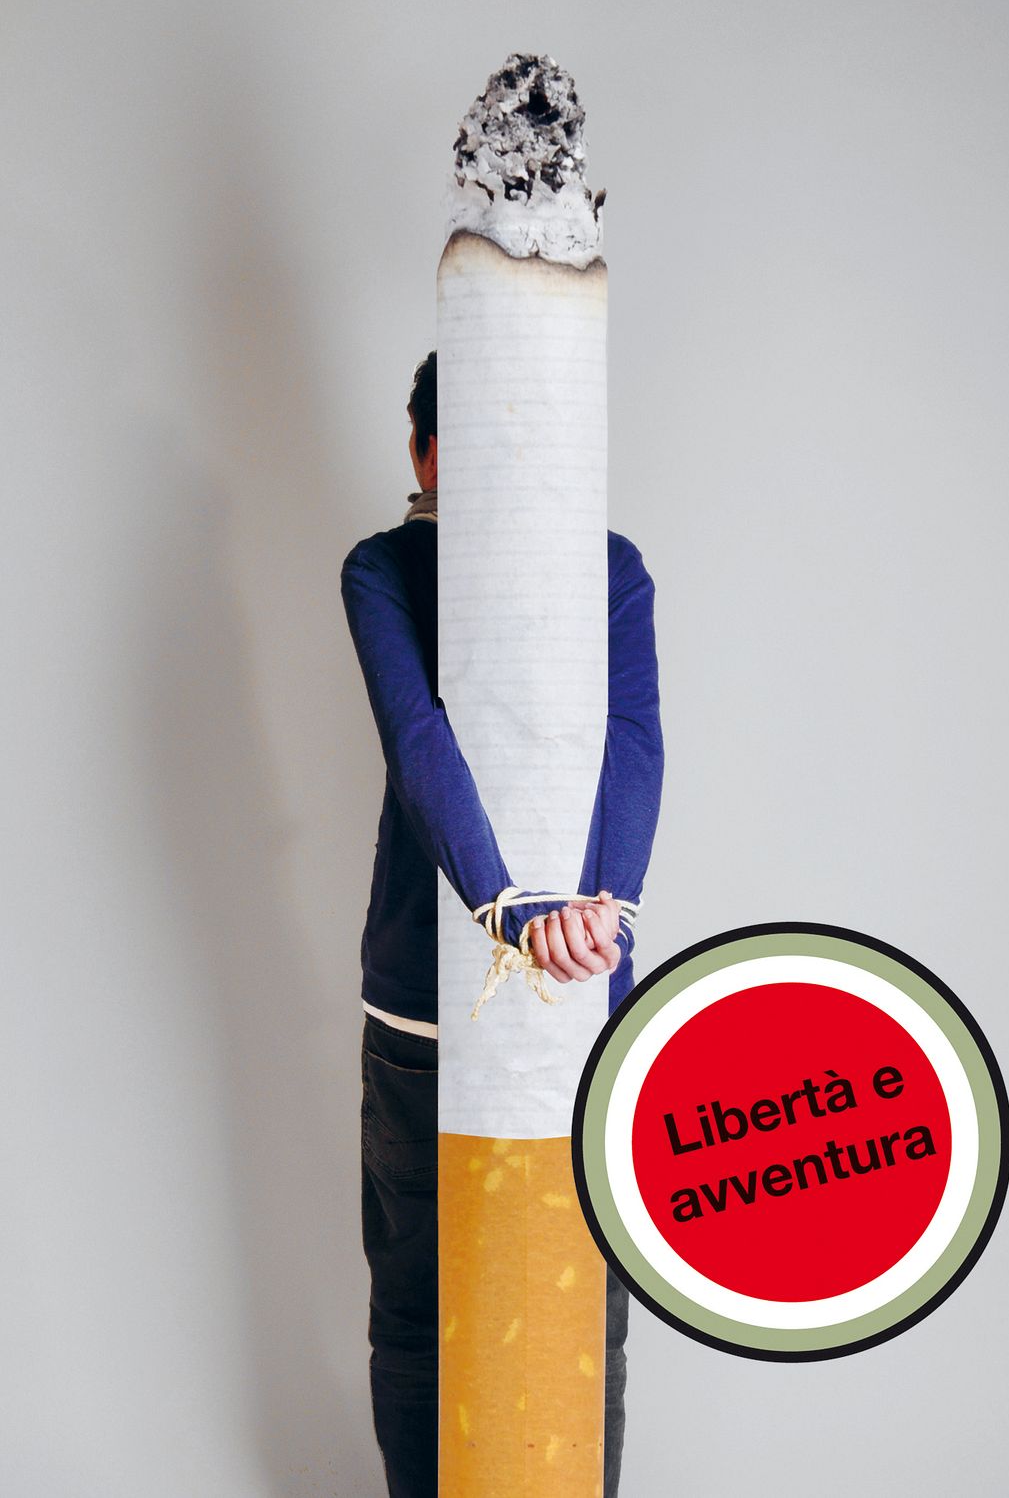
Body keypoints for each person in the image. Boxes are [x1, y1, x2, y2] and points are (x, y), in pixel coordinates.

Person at [341, 350, 664, 1498]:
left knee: (579, 1308)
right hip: (430, 1005)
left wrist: (595, 912)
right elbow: (419, 739)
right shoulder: (385, 567)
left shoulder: (609, 567)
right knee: (426, 1308)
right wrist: (514, 907)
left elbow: (630, 741)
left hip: (573, 997)